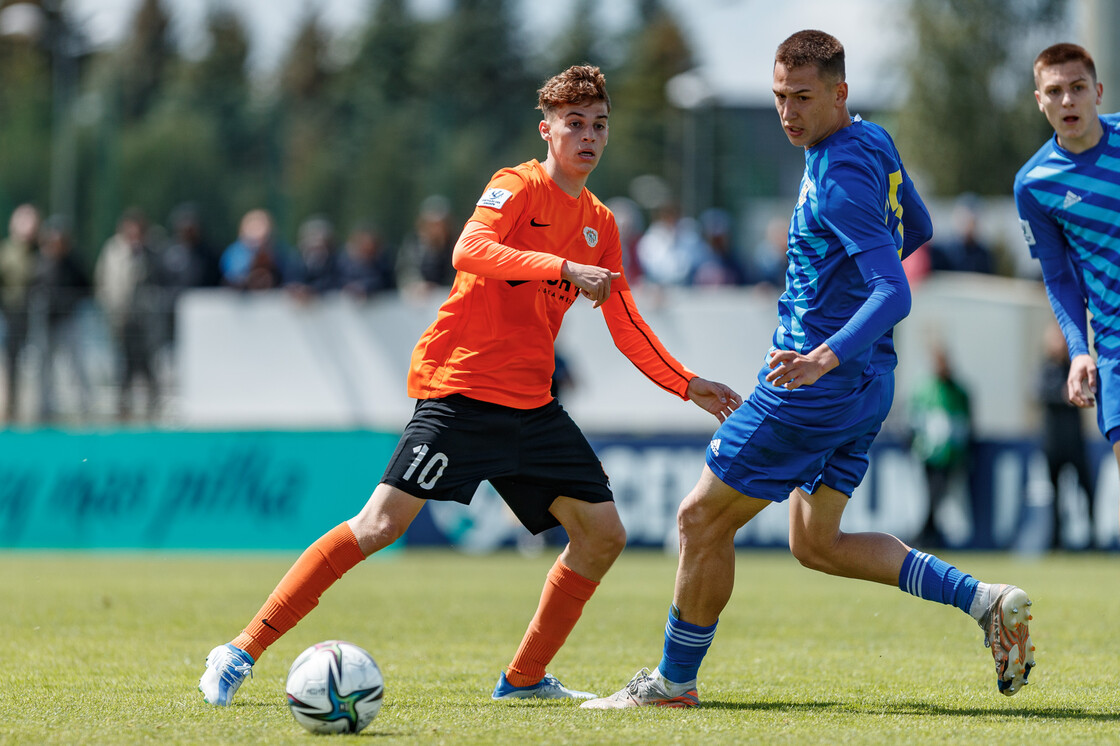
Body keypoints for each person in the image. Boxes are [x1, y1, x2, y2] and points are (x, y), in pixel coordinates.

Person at [199, 64, 741, 707]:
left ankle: (522, 681)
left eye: (600, 125)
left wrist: (688, 385)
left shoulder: (601, 223)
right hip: (461, 393)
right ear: (548, 131)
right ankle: (239, 651)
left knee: (603, 535)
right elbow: (469, 250)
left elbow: (625, 322)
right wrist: (562, 265)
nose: (589, 137)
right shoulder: (516, 186)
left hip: (532, 408)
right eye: (576, 125)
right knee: (378, 524)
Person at [582, 30, 1035, 710]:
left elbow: (895, 289)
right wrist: (845, 294)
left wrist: (823, 350)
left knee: (700, 519)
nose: (788, 113)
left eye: (802, 98)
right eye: (778, 98)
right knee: (816, 541)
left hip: (814, 385)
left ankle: (672, 684)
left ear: (838, 93)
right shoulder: (869, 140)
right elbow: (917, 227)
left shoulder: (836, 179)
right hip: (868, 381)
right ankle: (984, 601)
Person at [1014, 42, 1120, 535]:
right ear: (1040, 100)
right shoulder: (1034, 184)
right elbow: (1056, 276)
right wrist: (1080, 351)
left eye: (1077, 88)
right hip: (1115, 347)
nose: (1067, 101)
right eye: (1054, 92)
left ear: (1097, 91)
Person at [94, 208, 162, 420]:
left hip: (143, 320)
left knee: (146, 363)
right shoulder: (112, 250)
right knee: (122, 365)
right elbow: (102, 281)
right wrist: (108, 307)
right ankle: (122, 407)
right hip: (119, 318)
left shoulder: (150, 252)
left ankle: (153, 405)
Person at [908, 342, 973, 549]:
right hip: (930, 454)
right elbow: (914, 420)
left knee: (938, 495)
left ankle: (926, 535)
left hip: (950, 454)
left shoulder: (958, 391)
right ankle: (926, 535)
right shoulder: (925, 390)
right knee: (933, 495)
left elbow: (966, 422)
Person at [1038, 322, 1096, 549]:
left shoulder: (1073, 367)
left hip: (1075, 442)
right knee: (1055, 495)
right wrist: (1063, 395)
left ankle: (1092, 537)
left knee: (1086, 489)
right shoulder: (1045, 369)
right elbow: (1039, 392)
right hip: (1054, 443)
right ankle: (1055, 539)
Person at [0, 203, 41, 422]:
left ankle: (34, 411)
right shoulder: (6, 252)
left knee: (37, 364)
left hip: (37, 317)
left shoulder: (41, 251)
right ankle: (10, 408)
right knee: (11, 363)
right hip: (11, 315)